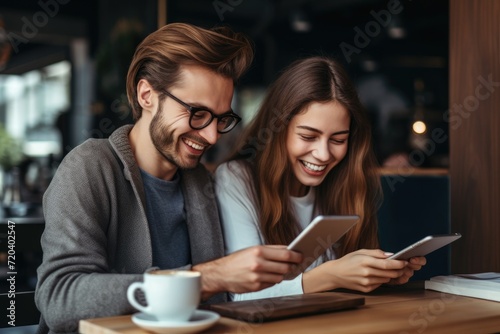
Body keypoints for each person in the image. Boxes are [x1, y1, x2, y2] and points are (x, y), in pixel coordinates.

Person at [35, 23, 302, 334]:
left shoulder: (199, 180)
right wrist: (205, 278)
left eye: (221, 119)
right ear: (147, 94)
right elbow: (59, 299)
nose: (212, 135)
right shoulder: (89, 167)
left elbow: (218, 304)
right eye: (197, 113)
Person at [214, 56, 426, 301]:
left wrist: (379, 276)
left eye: (338, 140)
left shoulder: (345, 181)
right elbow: (244, 294)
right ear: (277, 129)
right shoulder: (235, 178)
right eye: (308, 136)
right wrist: (332, 276)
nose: (324, 154)